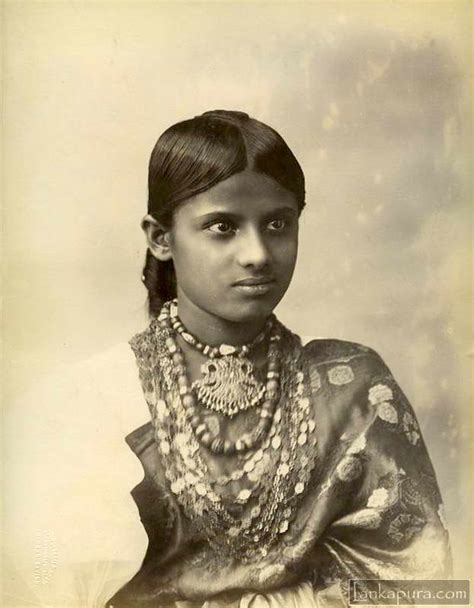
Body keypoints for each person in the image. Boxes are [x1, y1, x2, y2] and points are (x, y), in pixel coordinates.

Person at [6, 110, 451, 608]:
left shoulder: (353, 388)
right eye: (223, 227)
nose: (257, 253)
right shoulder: (88, 400)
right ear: (160, 237)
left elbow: (425, 587)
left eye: (278, 224)